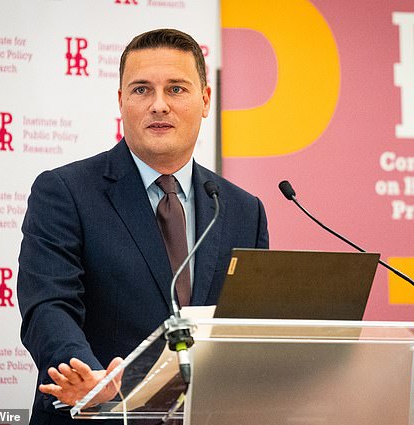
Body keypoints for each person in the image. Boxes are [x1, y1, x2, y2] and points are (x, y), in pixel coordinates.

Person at [17, 28, 269, 424]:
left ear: (205, 100)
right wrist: (86, 373)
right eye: (140, 90)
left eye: (176, 89)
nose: (158, 106)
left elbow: (251, 326)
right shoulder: (66, 191)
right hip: (99, 412)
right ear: (120, 101)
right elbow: (48, 305)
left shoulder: (242, 209)